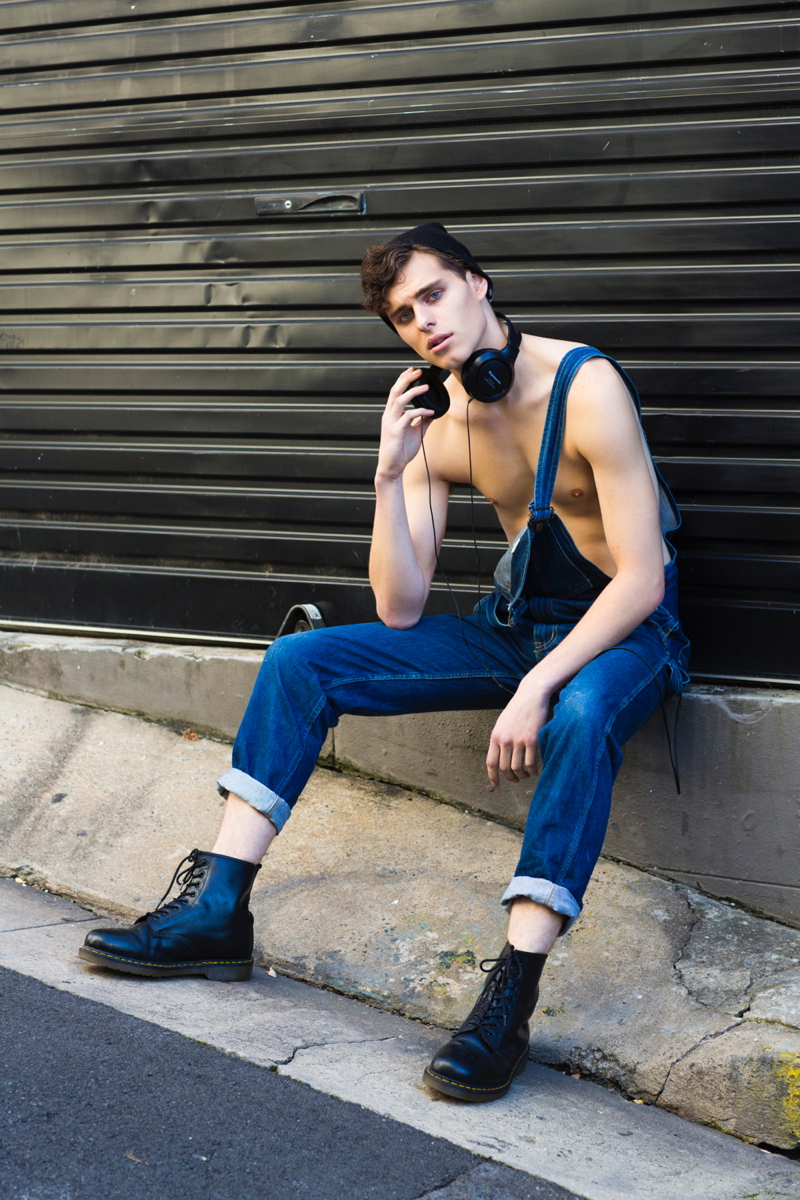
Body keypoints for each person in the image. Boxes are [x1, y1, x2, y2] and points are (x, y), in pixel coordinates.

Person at [79, 222, 690, 1104]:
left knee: (582, 714)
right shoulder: (440, 421)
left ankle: (506, 1004)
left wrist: (538, 686)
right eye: (404, 316)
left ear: (479, 283)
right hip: (517, 624)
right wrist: (388, 472)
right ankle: (216, 912)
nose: (424, 324)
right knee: (302, 662)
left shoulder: (586, 386)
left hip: (629, 633)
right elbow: (401, 605)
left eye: (434, 295)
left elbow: (641, 579)